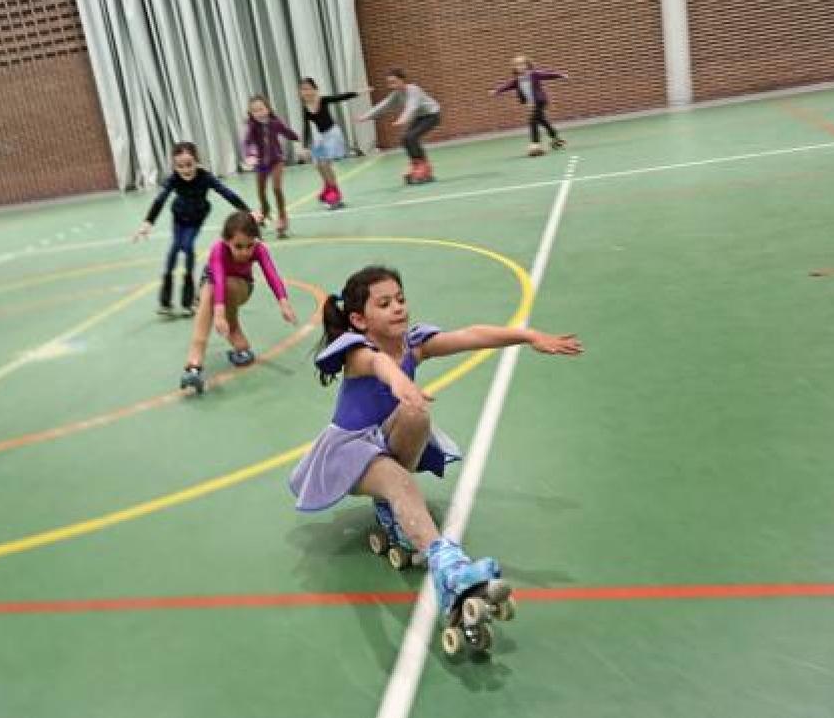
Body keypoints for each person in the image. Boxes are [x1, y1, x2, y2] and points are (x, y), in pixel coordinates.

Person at [288, 265, 584, 617]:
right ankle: (449, 572)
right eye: (384, 304)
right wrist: (398, 382)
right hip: (348, 452)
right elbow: (378, 363)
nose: (397, 307)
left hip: (384, 437)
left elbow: (470, 335)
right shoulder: (357, 351)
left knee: (417, 416)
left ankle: (393, 506)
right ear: (359, 319)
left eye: (400, 299)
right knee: (399, 475)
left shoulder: (413, 345)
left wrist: (528, 336)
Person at [179, 211, 298, 393]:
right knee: (210, 292)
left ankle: (233, 330)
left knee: (227, 286)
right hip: (212, 284)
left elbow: (271, 275)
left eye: (249, 246)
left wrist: (284, 303)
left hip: (241, 287)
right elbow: (217, 278)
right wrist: (218, 315)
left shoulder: (259, 250)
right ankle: (194, 363)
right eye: (239, 246)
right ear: (227, 241)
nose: (245, 252)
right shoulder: (218, 249)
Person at [131, 142, 254, 316]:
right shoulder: (174, 178)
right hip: (180, 216)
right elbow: (160, 199)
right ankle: (165, 303)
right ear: (175, 166)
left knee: (187, 247)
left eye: (189, 165)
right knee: (173, 253)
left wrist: (248, 211)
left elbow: (226, 193)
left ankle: (188, 302)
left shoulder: (205, 177)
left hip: (196, 217)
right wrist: (148, 222)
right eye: (180, 166)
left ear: (197, 162)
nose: (185, 170)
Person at [359, 69, 441, 184]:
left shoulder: (413, 90)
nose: (391, 85)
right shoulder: (396, 94)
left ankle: (423, 167)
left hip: (432, 115)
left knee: (411, 137)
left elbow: (412, 106)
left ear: (402, 80)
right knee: (405, 139)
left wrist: (403, 118)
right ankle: (416, 164)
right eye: (389, 83)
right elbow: (383, 106)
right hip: (420, 117)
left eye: (394, 82)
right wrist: (365, 116)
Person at [297, 78, 369, 209]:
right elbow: (306, 127)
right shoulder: (305, 107)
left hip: (332, 135)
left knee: (325, 164)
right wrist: (304, 147)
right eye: (303, 89)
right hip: (320, 137)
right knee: (317, 164)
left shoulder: (322, 100)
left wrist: (358, 93)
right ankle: (328, 187)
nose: (306, 92)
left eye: (308, 88)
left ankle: (335, 192)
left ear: (315, 89)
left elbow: (340, 97)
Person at [243, 95, 299, 238]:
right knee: (261, 191)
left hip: (276, 160)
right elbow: (247, 142)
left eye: (261, 109)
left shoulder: (275, 123)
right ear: (251, 114)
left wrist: (298, 138)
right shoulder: (252, 126)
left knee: (276, 188)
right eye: (254, 111)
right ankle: (265, 210)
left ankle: (282, 217)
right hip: (261, 163)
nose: (259, 113)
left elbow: (287, 132)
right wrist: (250, 155)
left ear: (267, 109)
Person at [489, 55, 567, 156]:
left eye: (522, 64)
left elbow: (548, 75)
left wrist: (561, 75)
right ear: (515, 68)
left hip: (539, 101)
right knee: (542, 121)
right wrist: (496, 91)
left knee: (532, 121)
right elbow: (507, 86)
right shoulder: (517, 80)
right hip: (531, 104)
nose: (520, 67)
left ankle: (535, 145)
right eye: (517, 65)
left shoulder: (534, 74)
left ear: (527, 65)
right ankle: (556, 138)